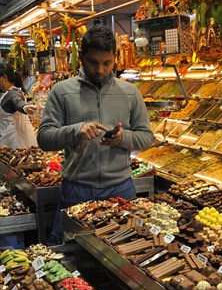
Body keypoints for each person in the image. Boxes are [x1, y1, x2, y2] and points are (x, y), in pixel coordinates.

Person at [38, 25, 154, 243]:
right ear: (81, 57)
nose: (100, 70)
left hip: (121, 188)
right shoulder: (62, 91)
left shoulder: (130, 92)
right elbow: (44, 137)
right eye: (93, 62)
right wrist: (76, 130)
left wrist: (123, 139)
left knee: (126, 253)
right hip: (77, 189)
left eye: (107, 63)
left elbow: (147, 137)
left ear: (115, 59)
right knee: (73, 250)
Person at [0, 62, 38, 149]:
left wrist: (24, 108)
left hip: (16, 145)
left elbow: (17, 101)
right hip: (10, 142)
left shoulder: (13, 93)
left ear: (4, 78)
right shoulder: (7, 93)